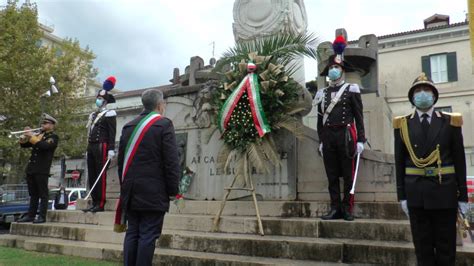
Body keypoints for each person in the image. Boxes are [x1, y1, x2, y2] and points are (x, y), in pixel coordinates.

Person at [394, 73, 468, 265]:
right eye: (418, 91)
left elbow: (459, 160)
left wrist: (463, 197)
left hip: (445, 191)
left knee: (446, 247)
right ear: (412, 98)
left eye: (427, 90)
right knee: (422, 247)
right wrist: (401, 195)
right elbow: (400, 161)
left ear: (435, 95)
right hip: (416, 193)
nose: (423, 94)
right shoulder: (403, 125)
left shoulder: (449, 122)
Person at [117, 89, 180, 266]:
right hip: (154, 191)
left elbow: (121, 163)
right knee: (147, 235)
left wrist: (125, 187)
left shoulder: (128, 126)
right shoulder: (164, 124)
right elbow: (171, 161)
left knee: (133, 233)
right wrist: (173, 190)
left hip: (131, 190)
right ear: (160, 105)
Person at [316, 35, 366, 221]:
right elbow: (320, 120)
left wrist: (361, 139)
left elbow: (359, 116)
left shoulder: (351, 89)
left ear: (342, 70)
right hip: (329, 136)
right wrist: (321, 141)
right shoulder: (323, 93)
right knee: (331, 175)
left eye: (336, 67)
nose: (334, 70)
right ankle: (335, 207)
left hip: (346, 135)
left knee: (347, 174)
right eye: (331, 68)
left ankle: (347, 208)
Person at [83, 76, 117, 213]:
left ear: (106, 101)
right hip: (91, 146)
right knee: (92, 174)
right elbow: (89, 132)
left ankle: (101, 203)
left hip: (102, 146)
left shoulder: (110, 113)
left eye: (101, 99)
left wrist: (111, 149)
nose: (98, 100)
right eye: (98, 98)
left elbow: (112, 133)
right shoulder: (93, 115)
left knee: (100, 175)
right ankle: (94, 200)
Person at [17, 114, 59, 224]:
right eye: (42, 123)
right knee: (33, 194)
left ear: (51, 125)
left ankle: (42, 216)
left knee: (43, 194)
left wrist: (31, 136)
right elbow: (24, 145)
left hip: (42, 169)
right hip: (32, 168)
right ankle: (31, 215)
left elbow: (44, 146)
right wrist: (24, 136)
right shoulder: (39, 135)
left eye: (45, 123)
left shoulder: (53, 137)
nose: (42, 125)